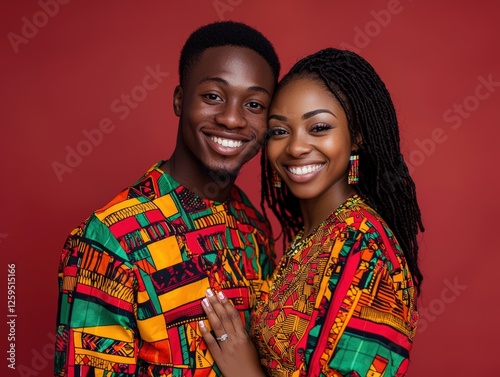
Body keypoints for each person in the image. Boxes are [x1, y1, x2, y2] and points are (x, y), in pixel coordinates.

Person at [54, 21, 280, 376]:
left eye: (254, 104)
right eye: (213, 96)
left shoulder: (253, 225)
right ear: (179, 99)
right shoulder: (108, 240)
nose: (232, 119)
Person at [198, 47, 425, 377]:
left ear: (357, 136)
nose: (295, 147)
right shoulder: (313, 235)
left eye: (318, 128)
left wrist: (245, 371)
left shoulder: (366, 248)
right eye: (279, 131)